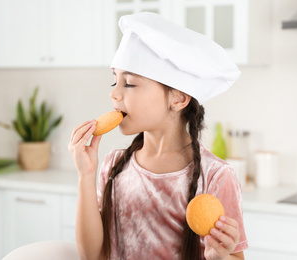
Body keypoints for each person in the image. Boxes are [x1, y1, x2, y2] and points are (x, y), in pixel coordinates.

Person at [69, 12, 248, 260]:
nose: (114, 94)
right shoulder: (112, 165)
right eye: (115, 82)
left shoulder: (216, 176)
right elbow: (92, 255)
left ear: (178, 98)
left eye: (129, 83)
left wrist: (221, 256)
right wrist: (85, 176)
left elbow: (233, 257)